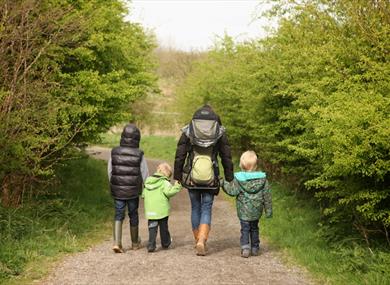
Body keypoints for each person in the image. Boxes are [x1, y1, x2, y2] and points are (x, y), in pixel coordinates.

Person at [174, 104, 234, 256]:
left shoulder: (189, 130)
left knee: (195, 207)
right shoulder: (219, 132)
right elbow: (226, 156)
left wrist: (178, 176)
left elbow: (180, 154)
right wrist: (229, 177)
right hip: (210, 176)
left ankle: (197, 241)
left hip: (192, 176)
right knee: (206, 208)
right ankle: (202, 239)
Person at [221, 150, 272, 258]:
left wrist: (222, 183)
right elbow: (267, 196)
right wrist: (268, 211)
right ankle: (255, 248)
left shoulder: (239, 179)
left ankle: (245, 248)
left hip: (243, 211)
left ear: (241, 164)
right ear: (255, 165)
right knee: (254, 228)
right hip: (256, 210)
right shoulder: (262, 179)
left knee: (245, 228)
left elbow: (232, 191)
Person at [107, 124, 149, 253]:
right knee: (133, 214)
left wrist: (114, 183)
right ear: (137, 138)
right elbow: (145, 172)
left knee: (119, 214)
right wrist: (146, 187)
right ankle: (135, 242)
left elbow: (110, 171)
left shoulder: (114, 151)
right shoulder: (139, 154)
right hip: (133, 191)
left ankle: (117, 243)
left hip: (118, 190)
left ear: (123, 136)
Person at [142, 162, 182, 252]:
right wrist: (177, 186)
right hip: (162, 210)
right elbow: (169, 192)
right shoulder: (164, 182)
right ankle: (165, 242)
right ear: (167, 175)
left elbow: (143, 194)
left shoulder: (148, 181)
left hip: (150, 210)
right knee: (164, 228)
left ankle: (151, 245)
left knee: (152, 227)